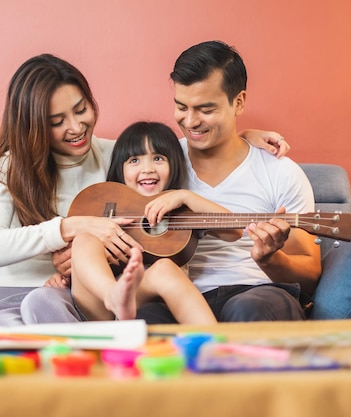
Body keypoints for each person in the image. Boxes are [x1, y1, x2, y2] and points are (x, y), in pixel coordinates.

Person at [0, 53, 288, 326]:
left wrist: (241, 139)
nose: (77, 128)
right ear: (33, 125)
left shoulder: (112, 154)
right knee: (46, 295)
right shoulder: (11, 166)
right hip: (17, 295)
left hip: (77, 296)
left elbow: (165, 152)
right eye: (57, 121)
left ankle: (220, 354)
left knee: (68, 295)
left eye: (81, 110)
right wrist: (70, 228)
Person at [136, 40, 322, 324]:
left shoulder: (280, 172)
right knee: (141, 320)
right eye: (181, 107)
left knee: (251, 310)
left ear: (239, 102)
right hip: (178, 298)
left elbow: (310, 275)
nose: (190, 121)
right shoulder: (158, 164)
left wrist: (271, 259)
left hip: (256, 291)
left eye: (205, 109)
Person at [71, 121, 243, 324]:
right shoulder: (104, 205)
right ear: (120, 169)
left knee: (165, 268)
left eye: (158, 158)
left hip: (141, 297)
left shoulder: (181, 208)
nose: (147, 169)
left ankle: (216, 346)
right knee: (83, 240)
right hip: (100, 305)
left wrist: (187, 197)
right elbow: (75, 258)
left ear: (175, 164)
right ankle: (113, 295)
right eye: (134, 160)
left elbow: (234, 230)